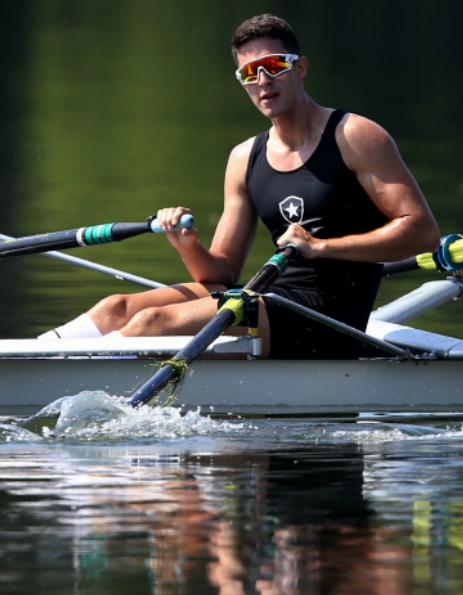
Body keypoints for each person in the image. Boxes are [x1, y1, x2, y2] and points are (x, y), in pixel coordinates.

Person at [39, 14, 440, 358]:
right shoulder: (244, 157)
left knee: (154, 321)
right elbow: (223, 273)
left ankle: (76, 390)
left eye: (274, 66)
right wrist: (188, 246)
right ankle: (33, 359)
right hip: (273, 300)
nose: (263, 80)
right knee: (117, 307)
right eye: (250, 72)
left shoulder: (355, 135)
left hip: (331, 317)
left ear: (300, 68)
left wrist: (321, 248)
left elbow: (422, 232)